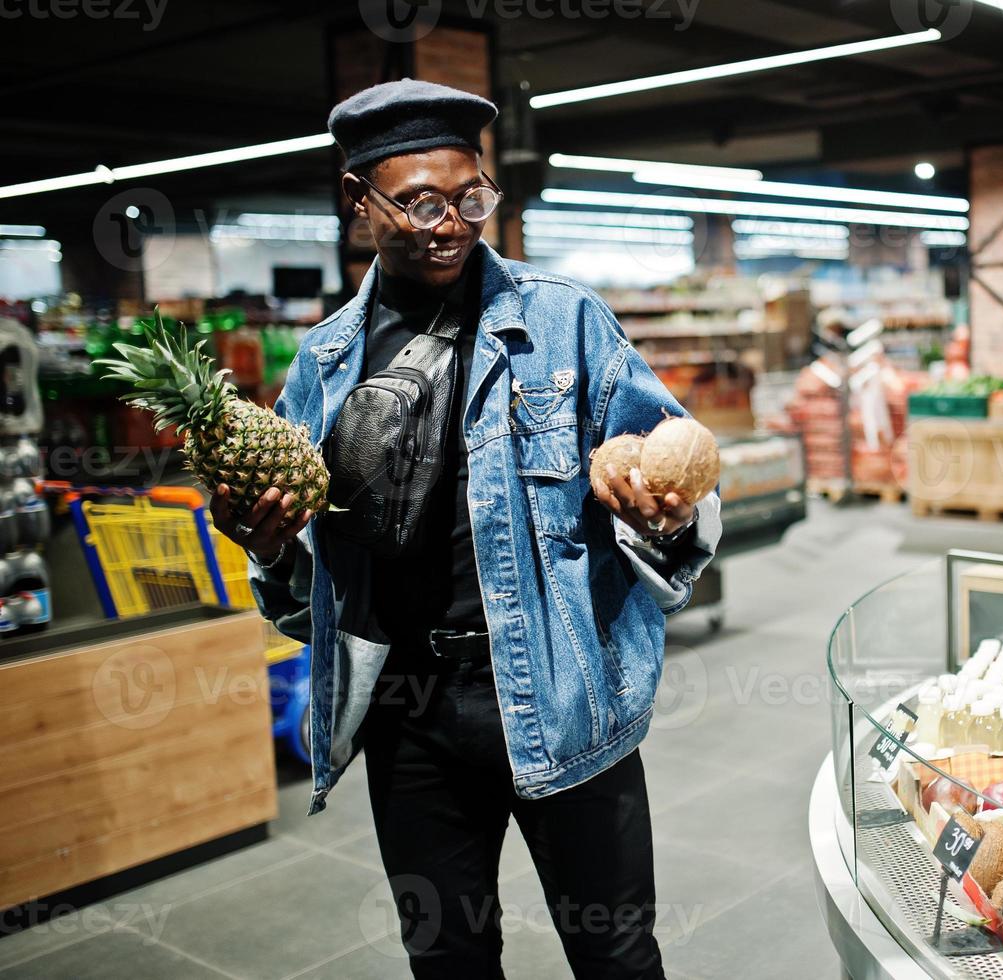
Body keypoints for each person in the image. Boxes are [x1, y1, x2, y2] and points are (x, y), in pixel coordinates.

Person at [211, 78, 721, 979]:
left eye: (469, 198)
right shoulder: (323, 365)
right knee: (446, 956)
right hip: (409, 713)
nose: (449, 224)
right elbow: (312, 591)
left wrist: (667, 513)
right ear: (356, 202)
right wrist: (270, 546)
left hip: (562, 692)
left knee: (615, 953)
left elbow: (678, 486)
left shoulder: (562, 324)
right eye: (417, 202)